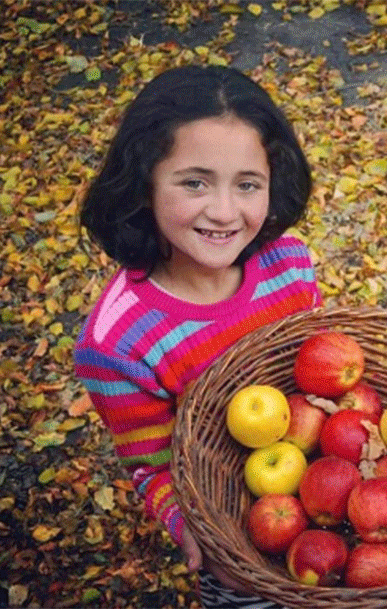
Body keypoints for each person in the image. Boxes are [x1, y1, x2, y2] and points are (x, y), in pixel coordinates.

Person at [74, 65, 320, 607]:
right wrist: (187, 523)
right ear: (144, 181)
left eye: (248, 184)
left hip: (321, 497)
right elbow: (150, 459)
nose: (225, 212)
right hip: (234, 532)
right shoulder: (119, 343)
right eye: (194, 182)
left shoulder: (291, 266)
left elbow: (317, 373)